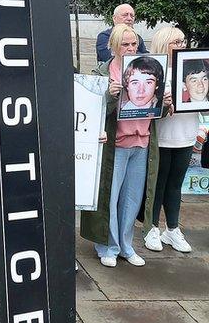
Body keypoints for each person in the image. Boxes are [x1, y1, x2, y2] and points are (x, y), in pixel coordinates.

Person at [81, 24, 169, 267]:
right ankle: (108, 246)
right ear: (113, 45)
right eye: (125, 44)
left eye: (134, 44)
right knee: (109, 197)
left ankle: (126, 246)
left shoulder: (148, 68)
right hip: (115, 145)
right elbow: (90, 109)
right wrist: (109, 95)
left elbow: (153, 111)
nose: (131, 48)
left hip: (141, 144)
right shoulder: (103, 71)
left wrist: (166, 104)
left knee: (131, 199)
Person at [144, 27, 195, 253]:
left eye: (184, 41)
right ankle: (152, 228)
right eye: (177, 41)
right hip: (163, 137)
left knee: (175, 185)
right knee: (158, 184)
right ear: (165, 43)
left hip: (186, 134)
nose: (182, 45)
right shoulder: (156, 70)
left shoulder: (194, 68)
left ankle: (172, 229)